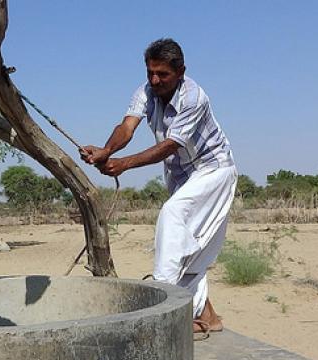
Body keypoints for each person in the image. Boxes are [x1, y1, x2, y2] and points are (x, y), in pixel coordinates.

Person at [80, 38, 237, 336]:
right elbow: (127, 126)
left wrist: (124, 164)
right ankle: (209, 317)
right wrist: (105, 151)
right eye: (150, 73)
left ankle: (164, 310)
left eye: (162, 74)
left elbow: (169, 146)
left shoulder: (194, 98)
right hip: (181, 175)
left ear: (180, 72)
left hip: (212, 171)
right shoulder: (146, 91)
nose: (155, 80)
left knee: (172, 217)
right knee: (189, 246)